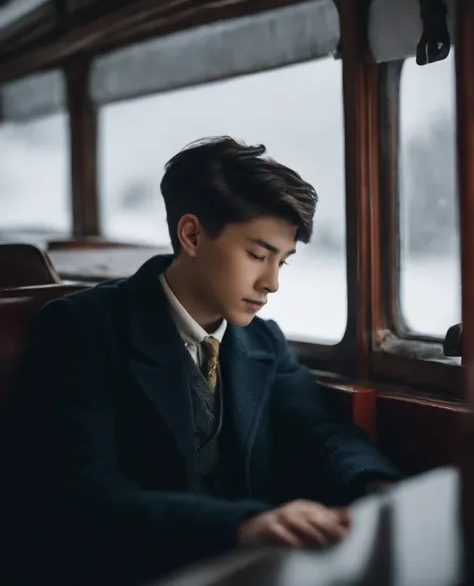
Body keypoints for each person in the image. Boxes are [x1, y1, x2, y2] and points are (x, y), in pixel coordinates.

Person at [5, 137, 400, 586]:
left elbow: (320, 431)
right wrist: (239, 526)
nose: (271, 283)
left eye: (282, 263)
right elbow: (80, 494)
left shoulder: (262, 340)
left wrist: (375, 487)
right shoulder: (78, 329)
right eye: (257, 254)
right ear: (191, 234)